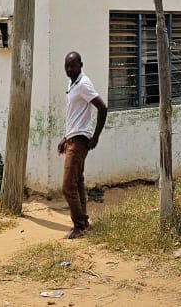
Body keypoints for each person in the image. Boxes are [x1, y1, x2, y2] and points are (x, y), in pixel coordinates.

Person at [57, 51, 108, 239]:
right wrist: (65, 138)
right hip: (73, 138)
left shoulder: (84, 84)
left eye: (73, 66)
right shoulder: (73, 83)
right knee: (77, 183)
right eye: (67, 66)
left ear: (81, 65)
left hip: (80, 141)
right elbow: (75, 116)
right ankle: (83, 223)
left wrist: (96, 137)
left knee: (67, 185)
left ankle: (80, 225)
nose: (69, 69)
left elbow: (103, 108)